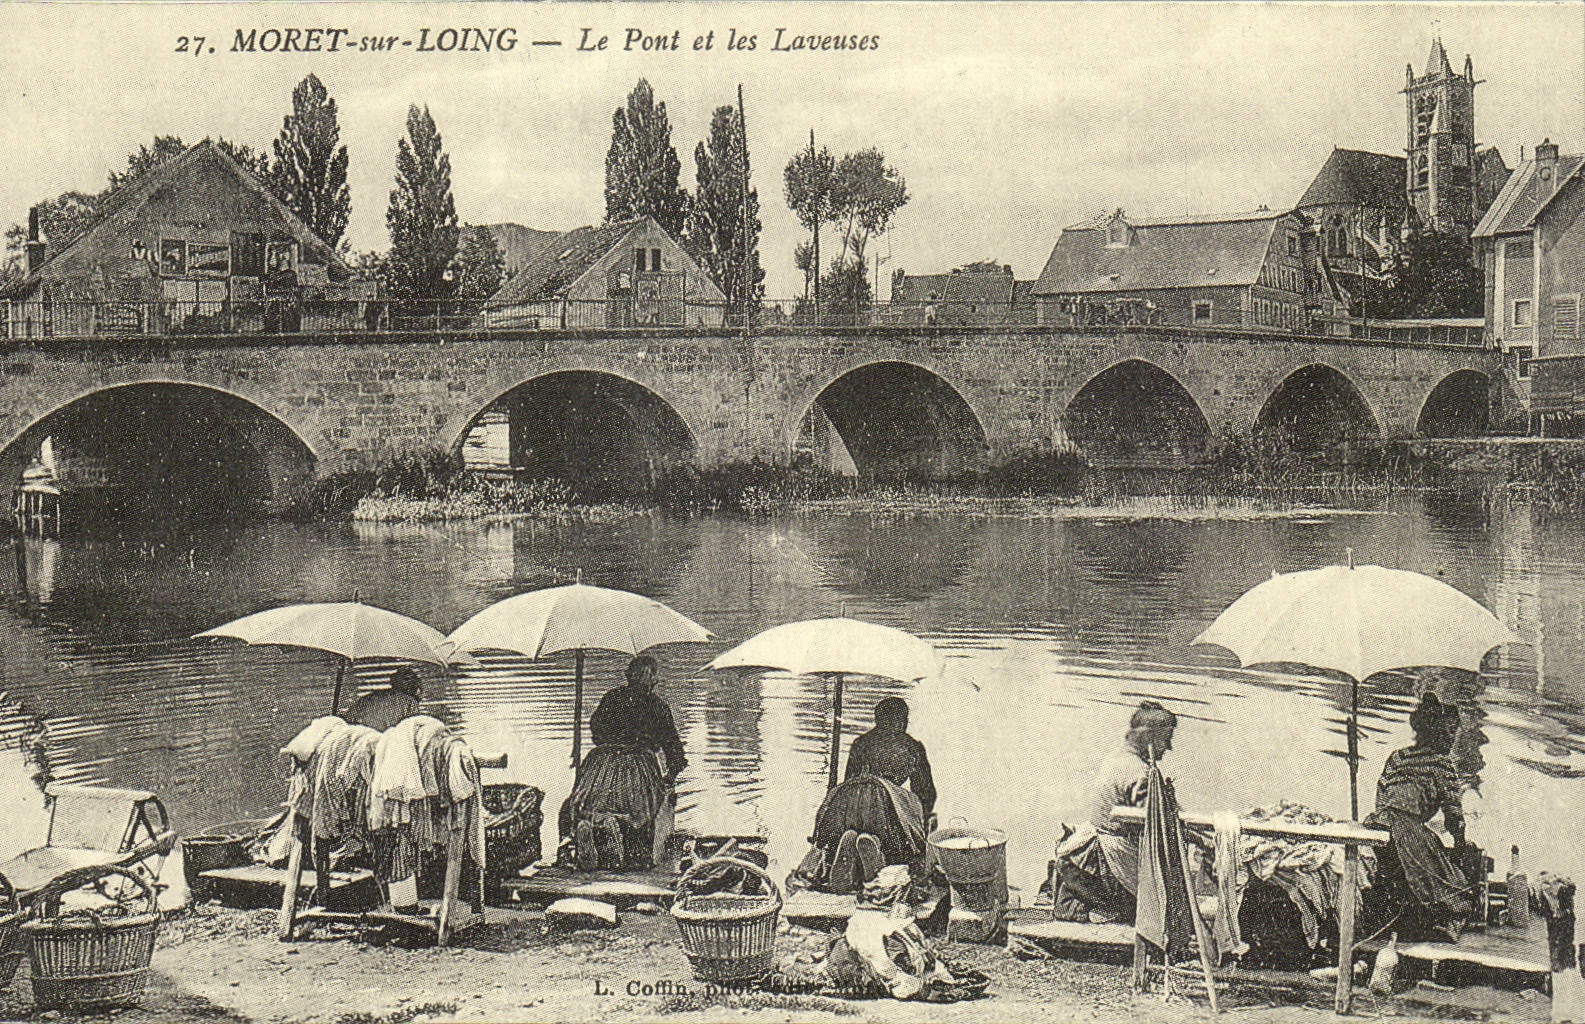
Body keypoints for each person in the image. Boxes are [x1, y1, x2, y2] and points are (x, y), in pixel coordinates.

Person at [1052, 700, 1178, 923]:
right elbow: (1154, 824)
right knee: (1166, 904)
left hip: (1084, 857)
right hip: (1101, 863)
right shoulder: (1138, 772)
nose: (1168, 747)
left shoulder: (1118, 759)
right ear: (1149, 738)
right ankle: (1097, 906)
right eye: (1166, 739)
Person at [1364, 693, 1474, 943]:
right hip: (1405, 829)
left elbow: (1382, 797)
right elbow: (1454, 818)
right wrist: (1460, 845)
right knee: (1459, 889)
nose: (1451, 740)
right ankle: (1448, 923)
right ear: (1437, 734)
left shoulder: (1397, 757)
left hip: (1376, 825)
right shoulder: (1442, 764)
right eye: (1450, 734)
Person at [560, 655, 685, 870]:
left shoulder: (611, 698)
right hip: (638, 764)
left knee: (580, 801)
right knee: (642, 810)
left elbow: (597, 733)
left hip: (600, 763)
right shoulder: (657, 706)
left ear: (628, 676)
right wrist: (669, 778)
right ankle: (619, 836)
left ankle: (592, 831)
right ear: (653, 681)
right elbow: (675, 751)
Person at [802, 697, 935, 893]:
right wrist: (920, 823)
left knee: (851, 828)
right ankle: (876, 850)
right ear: (903, 721)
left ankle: (850, 839)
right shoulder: (911, 747)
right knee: (902, 841)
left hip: (849, 807)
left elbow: (849, 780)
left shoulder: (860, 743)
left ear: (876, 720)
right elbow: (925, 793)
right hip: (886, 811)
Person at [343, 667, 421, 732]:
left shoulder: (367, 698)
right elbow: (413, 733)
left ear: (392, 682)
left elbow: (347, 722)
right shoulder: (410, 703)